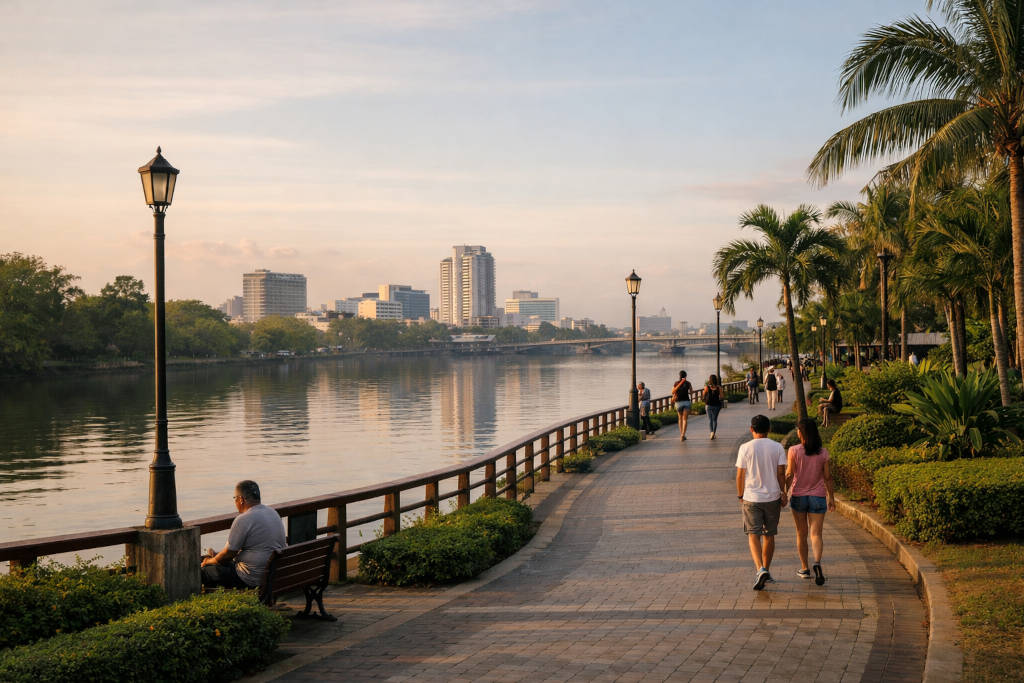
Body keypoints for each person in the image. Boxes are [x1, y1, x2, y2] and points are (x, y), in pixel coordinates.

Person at [201, 480, 287, 590]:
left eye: (235, 498)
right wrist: (218, 556)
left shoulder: (244, 519)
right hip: (275, 574)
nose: (235, 502)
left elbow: (229, 554)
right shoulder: (272, 512)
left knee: (203, 571)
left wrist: (210, 561)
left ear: (241, 500)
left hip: (251, 578)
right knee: (218, 564)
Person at [736, 414, 788, 590]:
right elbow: (781, 473)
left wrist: (740, 494)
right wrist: (784, 492)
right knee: (769, 534)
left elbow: (740, 474)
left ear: (752, 429)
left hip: (751, 497)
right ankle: (766, 569)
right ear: (769, 429)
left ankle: (760, 569)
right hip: (772, 497)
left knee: (753, 534)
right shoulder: (777, 447)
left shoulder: (745, 447)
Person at [786, 418, 836, 585]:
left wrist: (784, 492)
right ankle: (817, 562)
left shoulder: (793, 451)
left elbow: (789, 474)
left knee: (801, 533)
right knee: (816, 534)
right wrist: (832, 498)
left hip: (799, 496)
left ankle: (805, 568)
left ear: (801, 433)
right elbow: (828, 477)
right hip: (818, 496)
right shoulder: (823, 452)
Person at [671, 370, 693, 441]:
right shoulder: (688, 383)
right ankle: (683, 434)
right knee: (685, 419)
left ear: (679, 376)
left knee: (680, 418)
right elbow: (692, 392)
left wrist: (680, 384)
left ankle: (681, 435)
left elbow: (673, 391)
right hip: (686, 402)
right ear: (686, 376)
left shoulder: (676, 383)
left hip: (678, 403)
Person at [702, 374, 723, 439]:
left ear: (710, 380)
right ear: (716, 380)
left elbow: (703, 395)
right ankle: (714, 433)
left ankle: (711, 432)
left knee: (710, 420)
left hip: (708, 405)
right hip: (717, 405)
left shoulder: (707, 387)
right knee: (715, 419)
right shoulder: (718, 387)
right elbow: (722, 397)